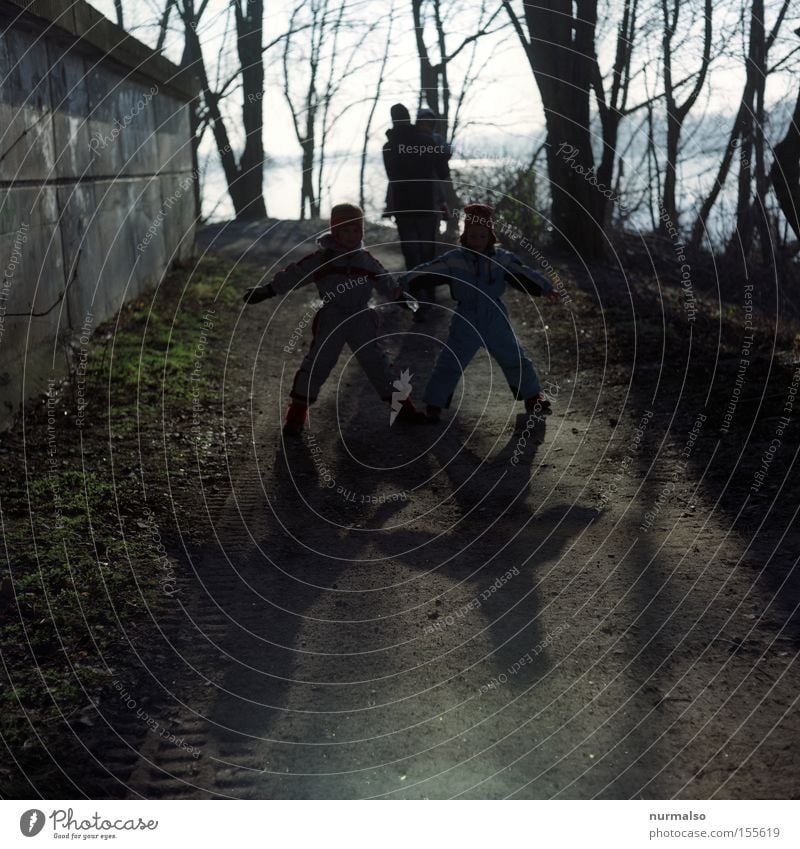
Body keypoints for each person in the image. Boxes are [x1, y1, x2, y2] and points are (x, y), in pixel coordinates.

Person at [243, 203, 426, 435]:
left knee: (377, 362)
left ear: (361, 232)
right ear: (335, 232)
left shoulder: (366, 260)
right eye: (345, 231)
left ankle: (403, 408)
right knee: (318, 363)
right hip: (333, 318)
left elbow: (385, 280)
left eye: (356, 230)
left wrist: (400, 297)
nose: (351, 236)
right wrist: (267, 290)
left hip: (361, 317)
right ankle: (296, 413)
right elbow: (296, 274)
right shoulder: (323, 259)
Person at [401, 203, 557, 422]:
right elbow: (428, 269)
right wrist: (405, 282)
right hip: (466, 318)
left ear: (490, 236)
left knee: (514, 357)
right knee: (450, 362)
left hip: (495, 317)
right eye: (472, 236)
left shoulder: (502, 258)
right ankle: (434, 403)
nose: (477, 241)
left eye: (482, 236)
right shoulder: (454, 259)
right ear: (465, 236)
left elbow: (524, 272)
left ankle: (532, 396)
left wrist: (546, 287)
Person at [382, 103, 448, 285]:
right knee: (427, 250)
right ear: (409, 118)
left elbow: (392, 176)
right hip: (426, 204)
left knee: (411, 251)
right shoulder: (427, 141)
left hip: (403, 206)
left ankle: (414, 288)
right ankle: (428, 291)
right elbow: (442, 173)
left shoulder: (388, 147)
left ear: (393, 120)